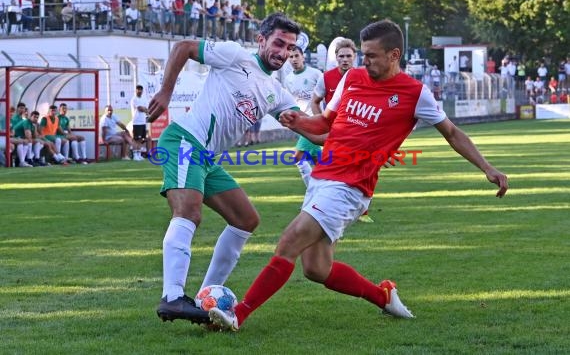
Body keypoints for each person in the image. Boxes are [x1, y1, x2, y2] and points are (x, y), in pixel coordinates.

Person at [209, 18, 509, 332]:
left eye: (371, 55)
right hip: (322, 177)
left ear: (394, 55)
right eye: (363, 54)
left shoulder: (414, 93)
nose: (364, 61)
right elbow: (324, 124)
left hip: (350, 187)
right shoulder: (352, 78)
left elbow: (452, 133)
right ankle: (383, 296)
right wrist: (297, 121)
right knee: (316, 269)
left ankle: (238, 315)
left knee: (289, 241)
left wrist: (487, 168)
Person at [146, 12, 301, 325]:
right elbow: (184, 47)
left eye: (289, 48)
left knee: (246, 219)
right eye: (278, 43)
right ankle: (173, 297)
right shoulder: (235, 55)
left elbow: (310, 126)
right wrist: (166, 92)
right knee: (188, 213)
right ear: (262, 40)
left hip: (206, 158)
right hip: (184, 141)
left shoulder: (276, 92)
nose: (283, 53)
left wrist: (350, 135)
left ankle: (206, 299)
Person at [311, 38, 374, 224]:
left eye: (348, 56)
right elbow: (315, 101)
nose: (345, 59)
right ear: (336, 58)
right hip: (334, 134)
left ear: (355, 57)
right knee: (330, 171)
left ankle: (362, 211)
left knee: (364, 168)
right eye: (341, 56)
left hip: (359, 134)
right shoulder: (326, 77)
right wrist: (321, 122)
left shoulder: (366, 76)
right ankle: (321, 207)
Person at [284, 45, 322, 185]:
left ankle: (312, 192)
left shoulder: (316, 74)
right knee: (321, 163)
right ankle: (332, 184)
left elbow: (325, 95)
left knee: (298, 158)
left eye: (296, 56)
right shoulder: (288, 79)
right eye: (291, 57)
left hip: (314, 121)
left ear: (303, 56)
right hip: (301, 122)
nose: (294, 59)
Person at [130, 85, 149, 161]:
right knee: (136, 139)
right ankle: (135, 154)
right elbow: (140, 108)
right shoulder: (134, 99)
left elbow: (146, 109)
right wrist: (144, 109)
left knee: (141, 139)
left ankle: (139, 153)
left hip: (143, 121)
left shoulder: (144, 99)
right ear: (136, 90)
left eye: (141, 90)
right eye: (138, 90)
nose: (139, 91)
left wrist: (144, 109)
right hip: (136, 121)